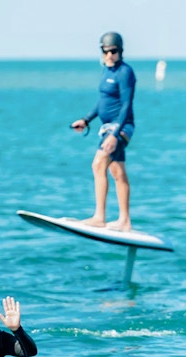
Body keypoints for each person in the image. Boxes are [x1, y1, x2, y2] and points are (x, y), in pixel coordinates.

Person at [70, 31, 137, 232]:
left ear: (121, 51)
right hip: (107, 128)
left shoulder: (125, 72)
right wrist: (86, 119)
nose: (109, 55)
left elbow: (126, 105)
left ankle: (99, 217)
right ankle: (124, 221)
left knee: (98, 164)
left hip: (121, 127)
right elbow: (103, 102)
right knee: (117, 171)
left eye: (113, 51)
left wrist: (115, 135)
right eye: (105, 51)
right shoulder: (106, 71)